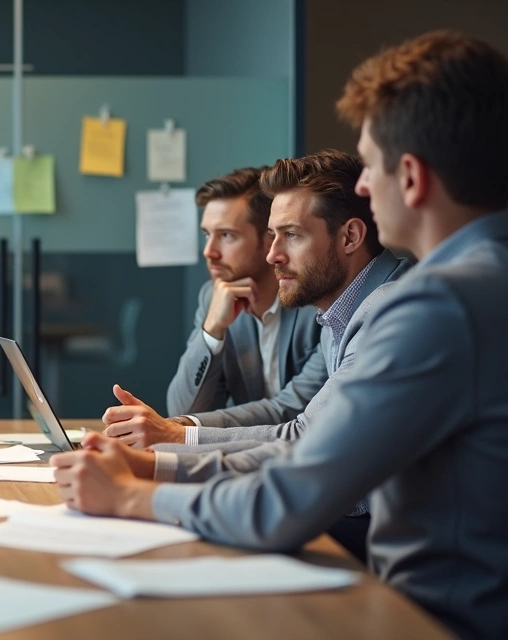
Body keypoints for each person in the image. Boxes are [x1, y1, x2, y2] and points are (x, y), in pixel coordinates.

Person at [50, 31, 508, 639]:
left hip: (427, 620)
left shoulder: (435, 306)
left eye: (369, 167)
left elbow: (288, 499)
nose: (365, 190)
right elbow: (305, 443)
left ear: (412, 176)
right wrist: (155, 465)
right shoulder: (479, 282)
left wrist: (131, 496)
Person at [104, 150, 410, 449]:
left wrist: (174, 439)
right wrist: (211, 335)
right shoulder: (336, 310)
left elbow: (304, 432)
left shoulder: (381, 310)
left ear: (350, 237)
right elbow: (182, 409)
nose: (272, 254)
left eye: (291, 234)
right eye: (274, 234)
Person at [166, 167, 326, 420]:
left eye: (226, 235)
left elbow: (297, 412)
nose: (209, 252)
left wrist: (191, 427)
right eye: (207, 234)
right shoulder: (213, 298)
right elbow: (183, 411)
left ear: (269, 240)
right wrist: (211, 331)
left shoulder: (317, 301)